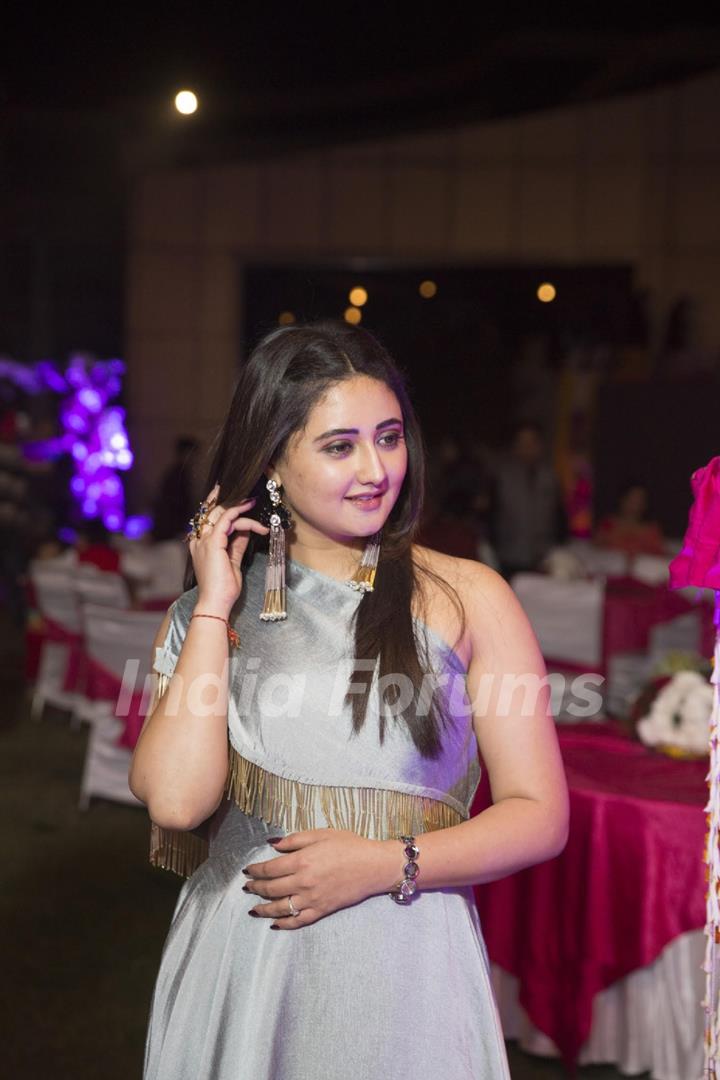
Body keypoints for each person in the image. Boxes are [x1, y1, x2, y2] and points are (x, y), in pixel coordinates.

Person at [129, 321, 568, 1080]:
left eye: (390, 437)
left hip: (409, 964)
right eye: (340, 447)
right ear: (272, 458)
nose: (376, 469)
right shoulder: (215, 614)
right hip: (249, 965)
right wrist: (211, 604)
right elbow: (174, 802)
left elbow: (540, 814)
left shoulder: (468, 597)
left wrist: (385, 863)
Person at [489, 421, 567, 579]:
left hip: (544, 556)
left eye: (532, 442)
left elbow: (559, 514)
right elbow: (490, 514)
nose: (528, 448)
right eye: (522, 443)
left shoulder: (550, 477)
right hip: (509, 555)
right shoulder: (501, 477)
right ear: (515, 446)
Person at [594, 482, 664, 557]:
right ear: (622, 499)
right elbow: (595, 551)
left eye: (639, 501)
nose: (634, 505)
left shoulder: (651, 530)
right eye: (631, 499)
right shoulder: (608, 524)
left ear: (645, 504)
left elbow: (658, 557)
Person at [151, 436, 199, 541]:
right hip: (170, 525)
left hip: (172, 525)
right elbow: (175, 502)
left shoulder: (181, 472)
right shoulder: (177, 473)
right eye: (191, 453)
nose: (194, 458)